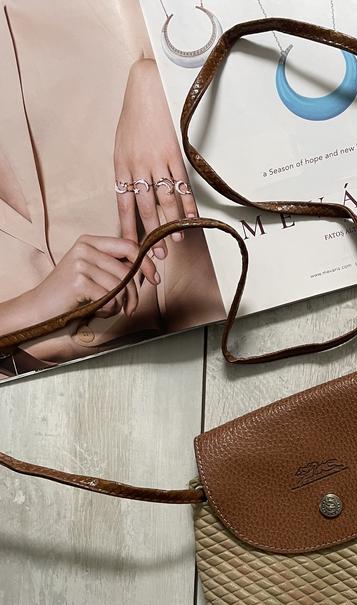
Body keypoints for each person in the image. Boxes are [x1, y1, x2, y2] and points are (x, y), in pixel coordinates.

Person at [0, 0, 225, 379]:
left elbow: (255, 32)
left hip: (244, 306)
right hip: (49, 399)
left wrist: (163, 80)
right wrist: (29, 310)